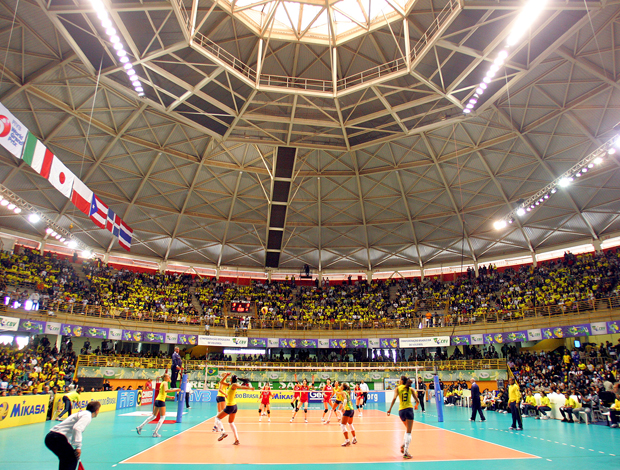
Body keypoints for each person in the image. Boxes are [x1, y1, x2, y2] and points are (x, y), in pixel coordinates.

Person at [45, 401, 100, 470]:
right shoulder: (87, 416)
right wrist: (78, 447)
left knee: (66, 459)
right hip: (56, 438)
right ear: (96, 410)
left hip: (53, 437)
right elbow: (77, 428)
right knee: (71, 459)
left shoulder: (83, 413)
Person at [214, 374, 254, 445]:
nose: (229, 378)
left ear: (232, 379)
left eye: (230, 377)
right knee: (231, 423)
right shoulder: (230, 385)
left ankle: (223, 433)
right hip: (234, 406)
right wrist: (226, 375)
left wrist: (250, 388)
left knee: (217, 418)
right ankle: (236, 440)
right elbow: (221, 382)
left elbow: (241, 387)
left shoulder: (234, 385)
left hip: (230, 406)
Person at [136, 373, 180, 437]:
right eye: (168, 377)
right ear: (165, 378)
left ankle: (140, 427)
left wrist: (169, 397)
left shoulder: (162, 383)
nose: (169, 378)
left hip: (157, 400)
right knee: (163, 417)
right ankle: (155, 432)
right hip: (161, 401)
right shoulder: (165, 383)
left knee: (154, 416)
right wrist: (176, 389)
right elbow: (166, 390)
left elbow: (162, 393)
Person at [387, 376, 420, 460]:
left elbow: (394, 398)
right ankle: (405, 452)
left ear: (401, 381)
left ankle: (403, 445)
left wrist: (390, 409)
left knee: (407, 429)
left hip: (401, 411)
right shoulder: (411, 389)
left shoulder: (398, 388)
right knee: (409, 432)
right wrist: (416, 405)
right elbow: (417, 400)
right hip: (409, 410)